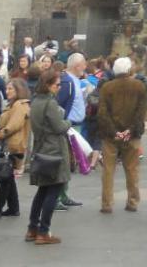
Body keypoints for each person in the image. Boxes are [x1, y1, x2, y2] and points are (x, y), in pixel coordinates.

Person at [97, 55, 147, 214]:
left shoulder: (107, 87)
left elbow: (103, 113)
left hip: (110, 135)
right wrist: (129, 130)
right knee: (132, 169)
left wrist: (115, 132)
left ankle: (107, 203)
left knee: (108, 170)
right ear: (129, 69)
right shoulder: (139, 86)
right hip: (132, 135)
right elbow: (141, 113)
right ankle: (132, 201)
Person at [27, 67, 72, 244]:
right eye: (57, 85)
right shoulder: (50, 103)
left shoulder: (35, 101)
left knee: (42, 190)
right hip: (53, 149)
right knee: (53, 189)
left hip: (41, 147)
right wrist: (68, 122)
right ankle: (43, 231)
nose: (59, 88)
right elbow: (59, 127)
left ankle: (32, 228)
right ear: (48, 85)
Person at [0, 78, 30, 219]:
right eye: (7, 88)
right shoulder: (14, 104)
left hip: (13, 145)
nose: (7, 91)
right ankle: (13, 207)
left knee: (5, 179)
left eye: (11, 89)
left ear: (19, 90)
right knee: (8, 178)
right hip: (11, 144)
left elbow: (13, 126)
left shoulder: (20, 105)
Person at [55, 53, 88, 208]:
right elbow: (59, 106)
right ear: (77, 66)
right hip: (68, 127)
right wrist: (62, 125)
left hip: (73, 126)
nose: (85, 67)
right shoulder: (67, 82)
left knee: (69, 163)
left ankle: (63, 194)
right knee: (64, 162)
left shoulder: (73, 80)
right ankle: (57, 197)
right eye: (84, 64)